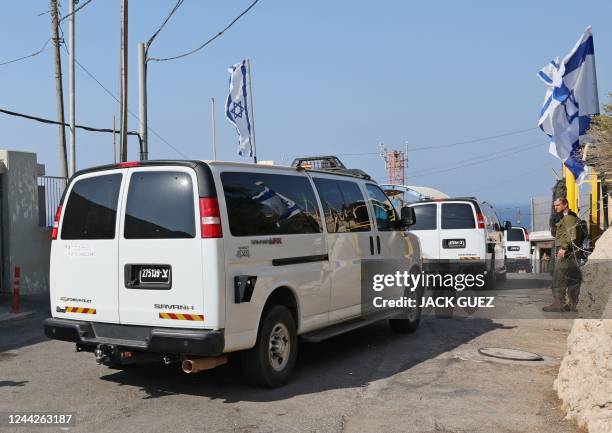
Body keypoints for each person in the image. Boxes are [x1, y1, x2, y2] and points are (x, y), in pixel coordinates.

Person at [542, 198, 583, 312]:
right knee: (572, 280)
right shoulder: (567, 217)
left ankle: (558, 303)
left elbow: (571, 235)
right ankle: (573, 304)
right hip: (570, 253)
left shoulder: (569, 217)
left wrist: (563, 248)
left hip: (566, 253)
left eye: (558, 205)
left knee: (558, 279)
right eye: (554, 206)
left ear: (565, 204)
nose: (556, 207)